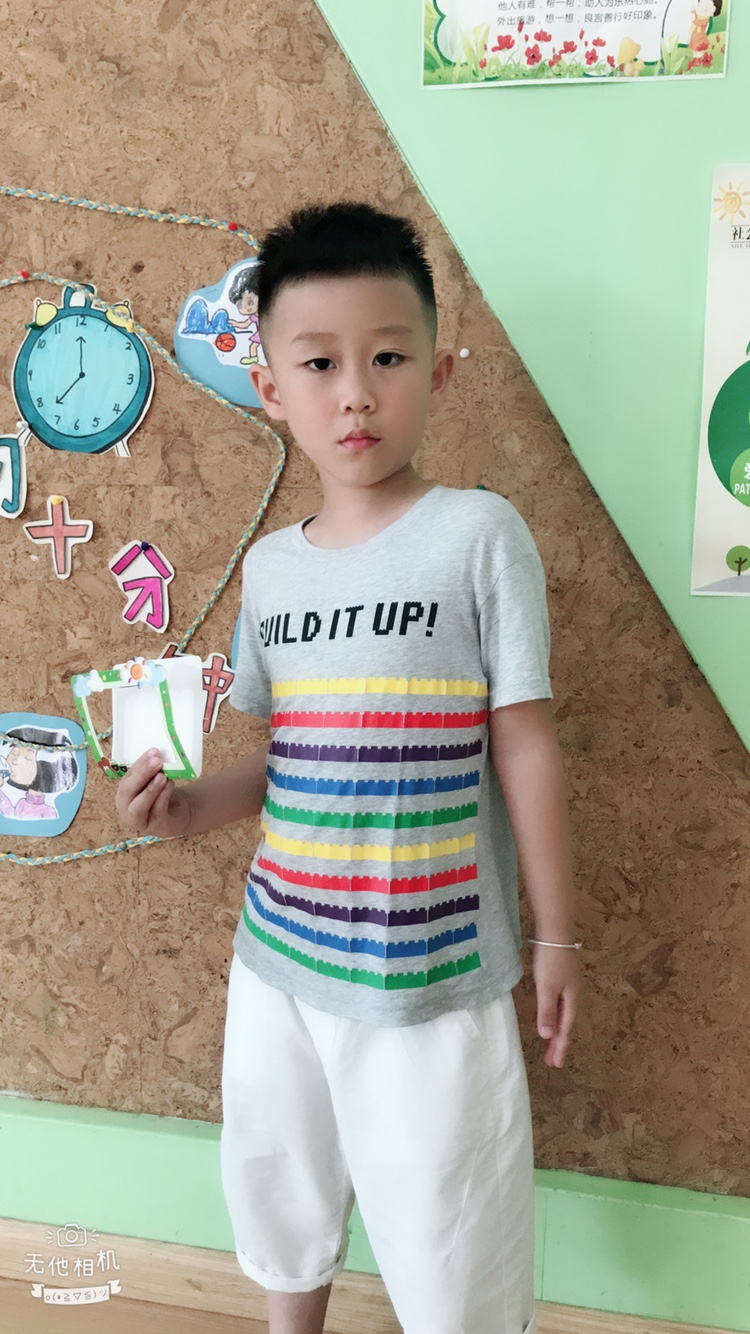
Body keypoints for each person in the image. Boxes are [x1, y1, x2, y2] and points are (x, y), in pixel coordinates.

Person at [116, 201, 580, 1334]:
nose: (357, 393)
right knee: (281, 1181)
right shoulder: (272, 571)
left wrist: (559, 936)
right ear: (272, 388)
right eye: (320, 363)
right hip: (279, 955)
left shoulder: (479, 535)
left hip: (430, 970)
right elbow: (287, 759)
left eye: (388, 358)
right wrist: (185, 808)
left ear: (440, 370)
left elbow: (523, 739)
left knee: (451, 1231)